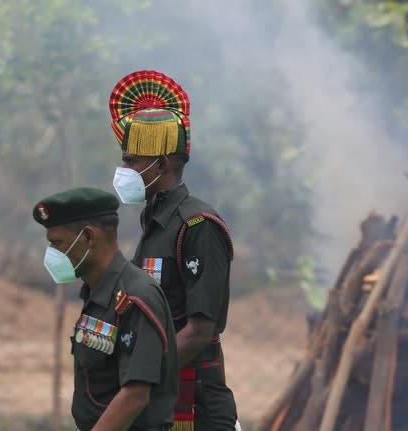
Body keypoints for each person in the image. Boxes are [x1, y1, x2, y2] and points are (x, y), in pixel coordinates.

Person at [109, 70, 238, 431]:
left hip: (193, 405)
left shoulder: (198, 225)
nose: (124, 169)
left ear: (160, 164)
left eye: (131, 160)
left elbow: (199, 330)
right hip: (159, 397)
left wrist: (141, 376)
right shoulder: (154, 221)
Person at [33, 187, 179, 431]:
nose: (52, 254)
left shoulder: (135, 296)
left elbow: (135, 395)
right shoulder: (97, 294)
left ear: (89, 237)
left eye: (56, 243)